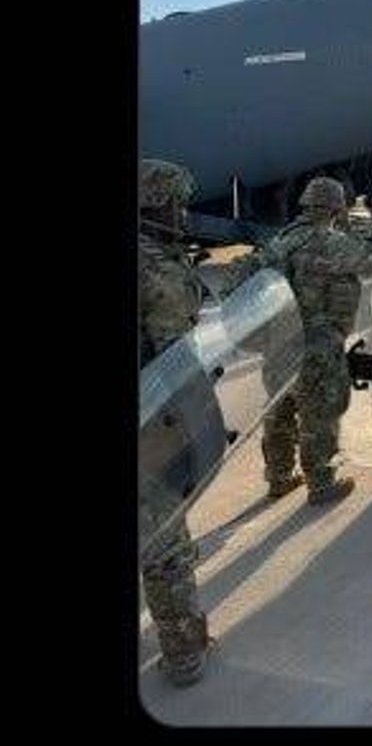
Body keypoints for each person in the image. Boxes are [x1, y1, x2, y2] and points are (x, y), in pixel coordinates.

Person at [259, 176, 372, 503]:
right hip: (317, 344)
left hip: (276, 345)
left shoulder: (279, 241)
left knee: (279, 412)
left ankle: (278, 477)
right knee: (320, 413)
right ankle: (321, 484)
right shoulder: (332, 241)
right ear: (336, 207)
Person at [139, 159, 211, 687]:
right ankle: (184, 651)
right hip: (148, 421)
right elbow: (174, 358)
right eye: (176, 203)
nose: (183, 213)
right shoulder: (158, 269)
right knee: (163, 540)